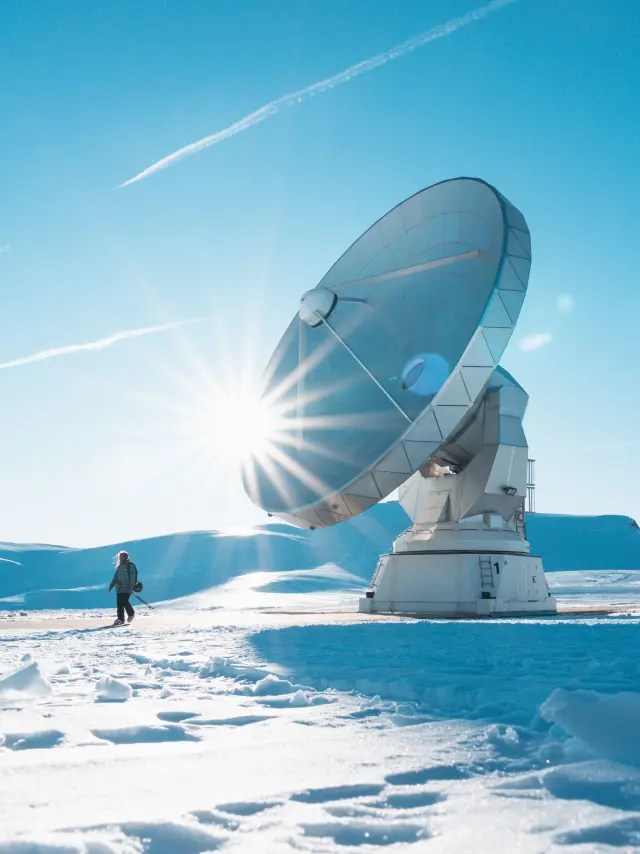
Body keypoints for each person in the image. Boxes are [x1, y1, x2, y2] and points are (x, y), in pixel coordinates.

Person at [108, 550, 138, 626]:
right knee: (119, 604)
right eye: (119, 557)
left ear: (125, 557)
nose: (119, 558)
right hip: (119, 589)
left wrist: (131, 588)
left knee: (124, 601)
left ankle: (131, 613)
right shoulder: (119, 567)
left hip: (127, 588)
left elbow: (132, 577)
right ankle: (120, 619)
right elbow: (115, 577)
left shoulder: (130, 565)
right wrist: (111, 586)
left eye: (121, 556)